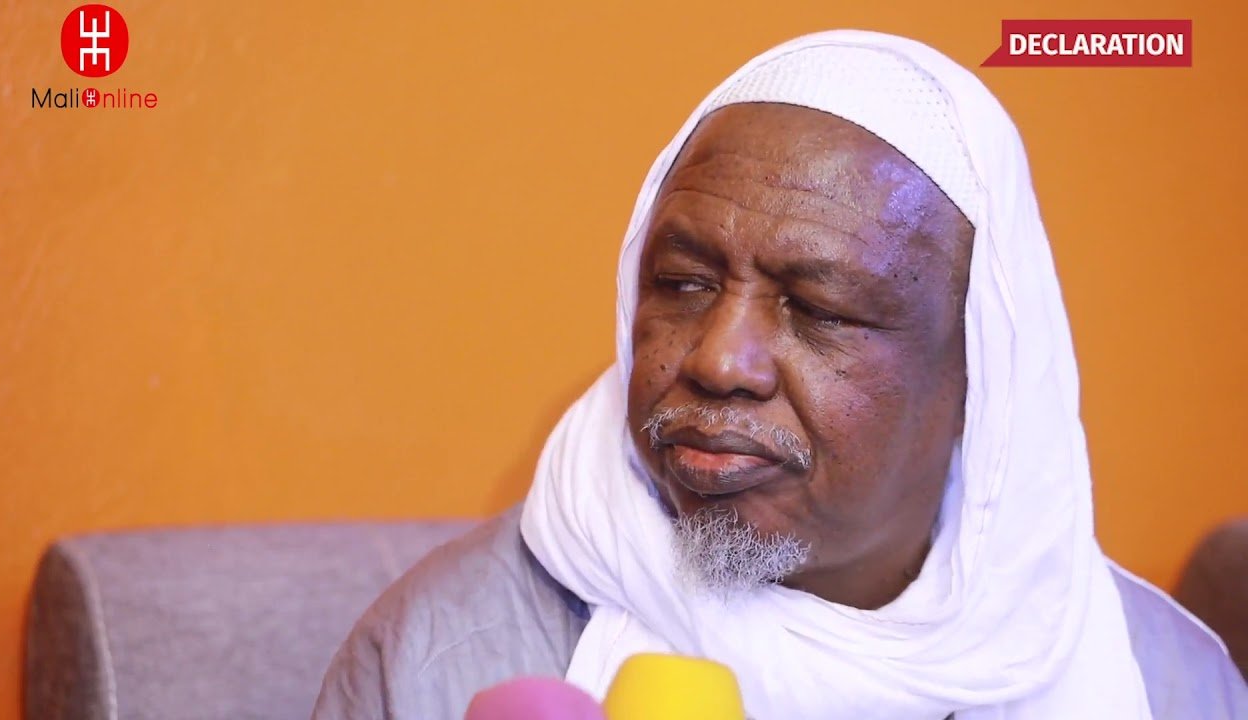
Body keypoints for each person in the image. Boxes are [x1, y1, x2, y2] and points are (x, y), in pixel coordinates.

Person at [311, 30, 1248, 719]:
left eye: (821, 308)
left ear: (978, 383)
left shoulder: (1166, 686)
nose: (717, 359)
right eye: (682, 283)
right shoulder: (440, 659)